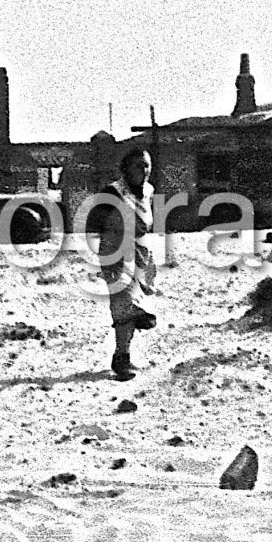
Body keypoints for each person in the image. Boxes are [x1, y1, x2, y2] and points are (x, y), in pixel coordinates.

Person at [91, 146, 162, 381]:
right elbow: (95, 220)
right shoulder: (113, 192)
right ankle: (121, 359)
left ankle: (124, 353)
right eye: (138, 165)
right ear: (125, 168)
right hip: (116, 252)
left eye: (147, 165)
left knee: (136, 304)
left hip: (141, 252)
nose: (144, 170)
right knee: (125, 304)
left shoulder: (149, 191)